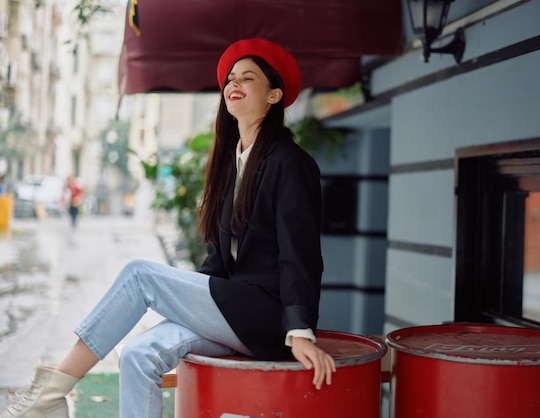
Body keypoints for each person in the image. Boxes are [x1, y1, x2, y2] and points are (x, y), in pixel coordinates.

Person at [1, 37, 335, 418]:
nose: (234, 85)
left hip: (268, 317)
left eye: (248, 78)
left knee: (139, 275)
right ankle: (53, 398)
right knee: (138, 354)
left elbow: (301, 254)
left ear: (274, 95)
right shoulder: (231, 165)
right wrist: (186, 307)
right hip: (234, 312)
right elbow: (218, 263)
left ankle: (51, 394)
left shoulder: (291, 163)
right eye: (229, 79)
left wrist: (300, 329)